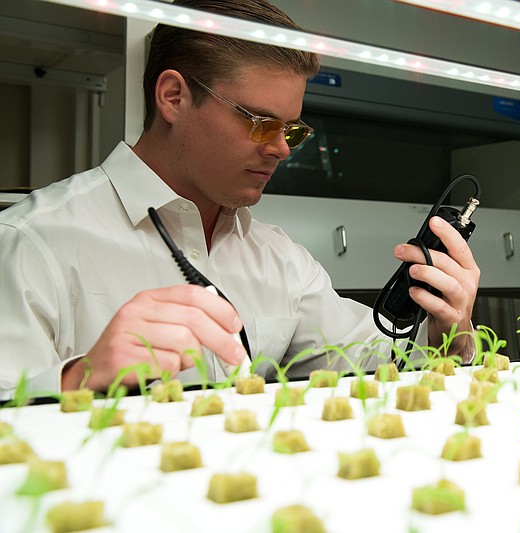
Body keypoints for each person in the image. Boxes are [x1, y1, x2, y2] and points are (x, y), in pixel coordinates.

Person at [0, 0, 479, 398]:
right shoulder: (32, 242)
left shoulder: (278, 259)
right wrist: (79, 379)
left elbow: (376, 361)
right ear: (173, 97)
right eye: (261, 122)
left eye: (291, 129)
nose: (282, 148)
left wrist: (447, 333)